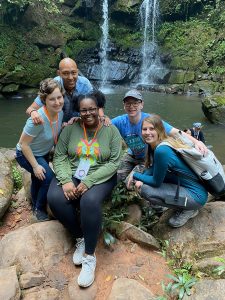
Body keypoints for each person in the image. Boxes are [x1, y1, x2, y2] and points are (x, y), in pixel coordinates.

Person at [47, 93, 122, 288]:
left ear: (99, 108)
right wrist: (65, 180)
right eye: (83, 109)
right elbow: (60, 156)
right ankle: (80, 237)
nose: (88, 113)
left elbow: (115, 162)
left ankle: (89, 256)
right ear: (78, 111)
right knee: (55, 198)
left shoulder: (110, 130)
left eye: (92, 108)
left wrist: (89, 181)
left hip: (101, 175)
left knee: (88, 201)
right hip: (73, 172)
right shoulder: (71, 128)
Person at [128, 115, 208, 228]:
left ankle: (189, 209)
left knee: (145, 189)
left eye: (152, 128)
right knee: (145, 181)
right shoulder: (159, 145)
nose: (147, 132)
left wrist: (136, 176)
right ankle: (179, 203)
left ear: (160, 130)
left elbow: (156, 182)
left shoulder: (162, 150)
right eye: (144, 129)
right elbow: (153, 168)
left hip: (196, 196)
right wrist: (142, 176)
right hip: (192, 188)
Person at [111, 89, 207, 183]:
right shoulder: (119, 121)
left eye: (135, 103)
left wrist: (196, 142)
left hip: (147, 158)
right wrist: (104, 118)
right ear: (124, 106)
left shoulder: (150, 120)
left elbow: (175, 132)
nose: (131, 106)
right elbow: (104, 128)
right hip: (131, 154)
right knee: (116, 178)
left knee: (130, 182)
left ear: (141, 105)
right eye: (128, 103)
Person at [15, 78, 64, 221]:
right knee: (48, 179)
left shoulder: (59, 112)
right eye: (52, 99)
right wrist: (35, 166)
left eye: (59, 97)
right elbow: (23, 144)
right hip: (25, 154)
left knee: (38, 180)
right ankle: (39, 209)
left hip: (42, 152)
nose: (57, 102)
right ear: (44, 100)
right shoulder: (37, 119)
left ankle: (34, 203)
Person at [25, 58, 106, 123]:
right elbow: (31, 108)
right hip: (58, 126)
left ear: (77, 72)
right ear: (59, 73)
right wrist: (33, 112)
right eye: (65, 73)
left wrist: (102, 117)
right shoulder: (53, 86)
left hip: (78, 123)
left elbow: (97, 104)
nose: (70, 77)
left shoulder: (84, 84)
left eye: (74, 73)